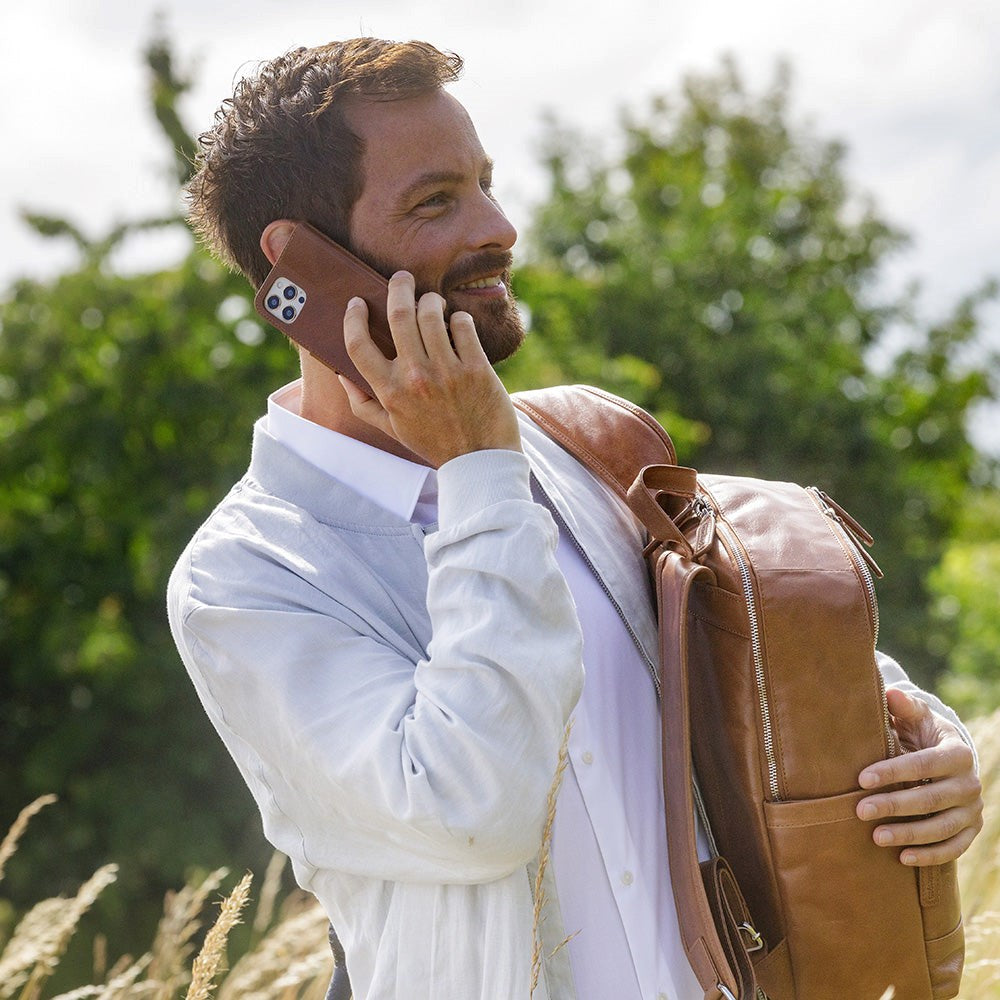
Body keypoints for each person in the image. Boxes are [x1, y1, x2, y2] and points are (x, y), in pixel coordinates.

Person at [167, 38, 984, 1000]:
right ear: (299, 262)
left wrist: (921, 743)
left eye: (486, 184)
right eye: (437, 201)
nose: (500, 227)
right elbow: (474, 808)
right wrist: (478, 475)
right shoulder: (247, 578)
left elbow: (753, 664)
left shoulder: (586, 443)